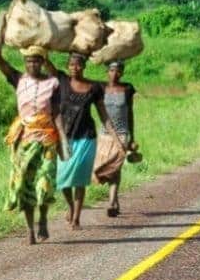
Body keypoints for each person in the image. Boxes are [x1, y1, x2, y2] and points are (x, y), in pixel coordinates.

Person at [0, 12, 68, 245]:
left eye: (37, 60)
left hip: (47, 140)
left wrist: (63, 141)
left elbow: (56, 114)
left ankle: (43, 219)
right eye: (29, 60)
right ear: (25, 62)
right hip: (24, 140)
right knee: (24, 185)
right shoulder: (18, 79)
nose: (32, 64)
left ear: (42, 61)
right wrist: (1, 25)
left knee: (44, 184)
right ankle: (29, 230)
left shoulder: (52, 84)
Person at [47, 53, 124, 230]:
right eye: (72, 65)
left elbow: (103, 115)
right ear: (67, 67)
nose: (75, 68)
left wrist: (116, 138)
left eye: (79, 65)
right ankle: (71, 205)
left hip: (86, 139)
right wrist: (42, 47)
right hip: (65, 138)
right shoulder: (62, 80)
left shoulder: (94, 87)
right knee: (62, 180)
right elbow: (46, 63)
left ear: (84, 67)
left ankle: (76, 218)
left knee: (80, 180)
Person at [93, 60, 138, 217]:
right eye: (112, 70)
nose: (115, 73)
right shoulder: (100, 88)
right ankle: (115, 199)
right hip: (105, 135)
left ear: (122, 72)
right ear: (107, 72)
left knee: (116, 166)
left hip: (122, 134)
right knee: (104, 167)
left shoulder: (127, 89)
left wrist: (132, 137)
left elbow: (130, 113)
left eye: (118, 70)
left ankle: (111, 201)